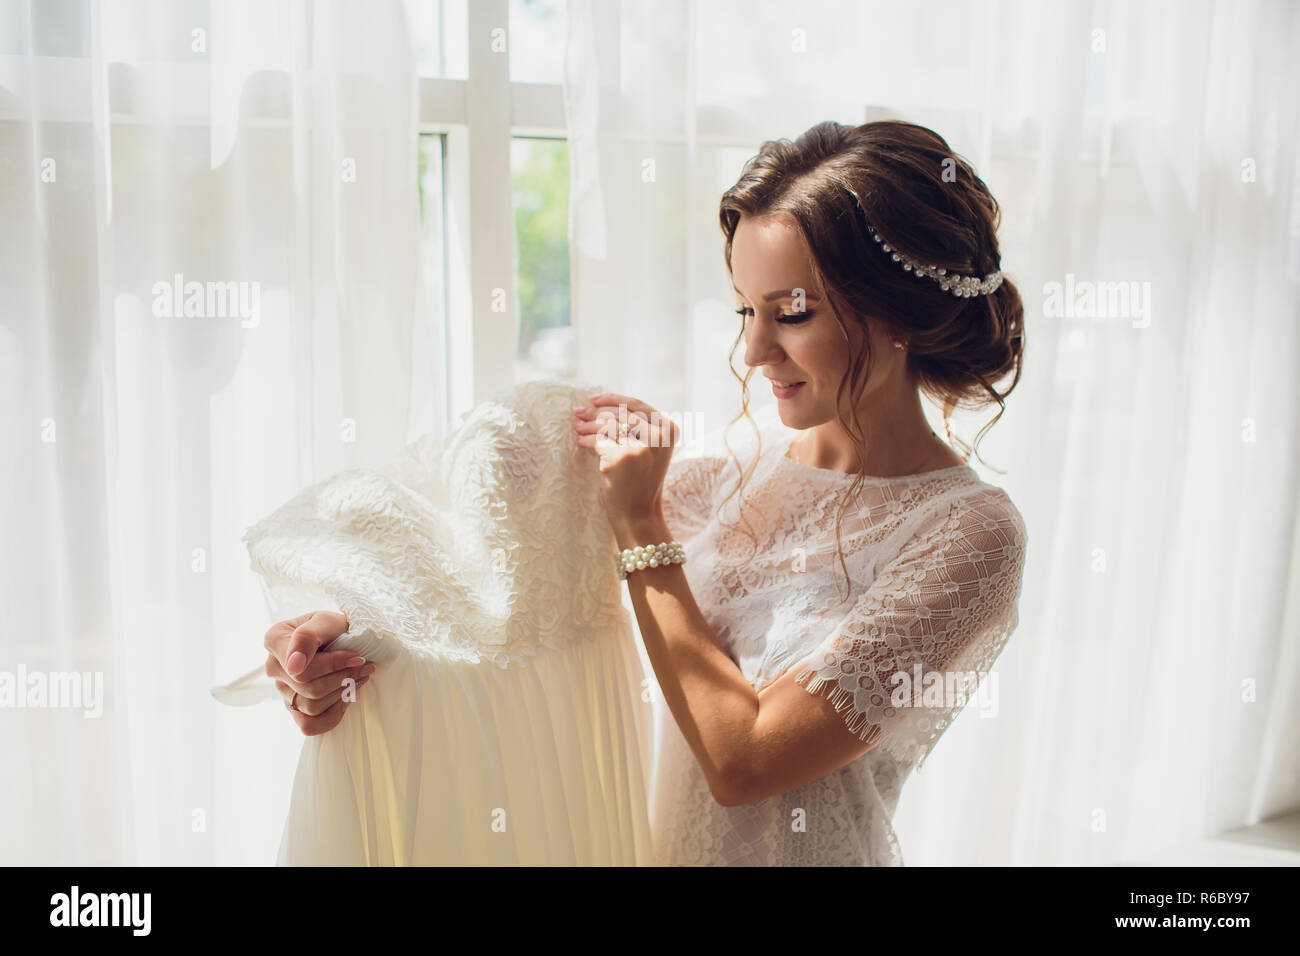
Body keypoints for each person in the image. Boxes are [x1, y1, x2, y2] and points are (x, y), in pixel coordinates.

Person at [263, 118, 1029, 865]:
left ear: (900, 309)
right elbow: (497, 568)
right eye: (746, 310)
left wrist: (638, 521)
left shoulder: (969, 535)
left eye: (792, 312)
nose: (755, 350)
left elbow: (747, 759)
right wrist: (346, 635)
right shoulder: (740, 465)